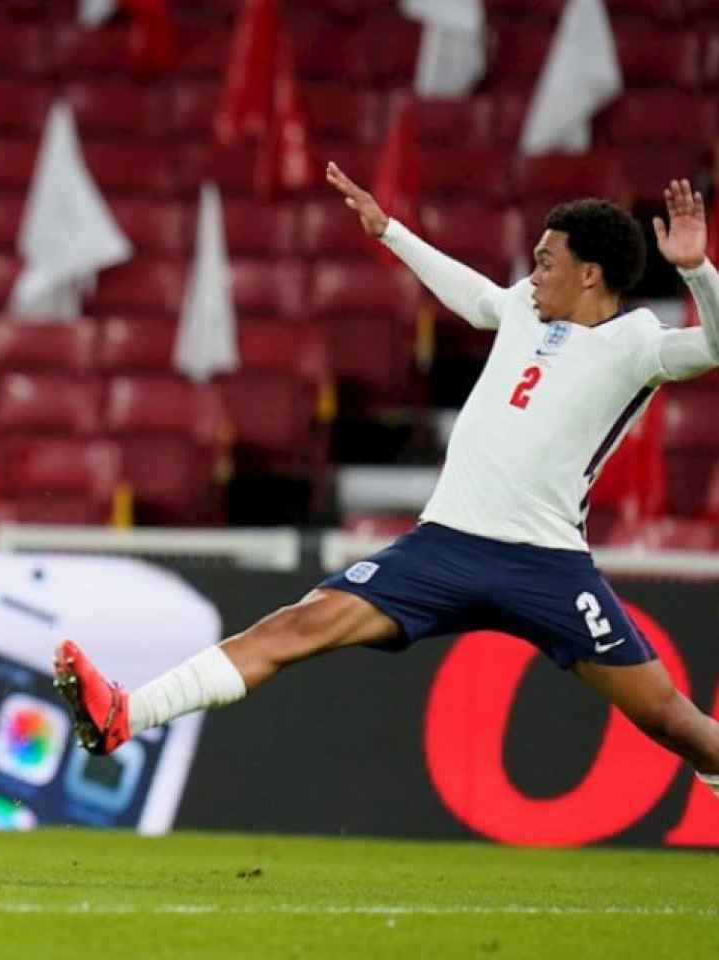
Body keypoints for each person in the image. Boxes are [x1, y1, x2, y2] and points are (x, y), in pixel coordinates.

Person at [55, 164, 719, 814]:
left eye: (547, 261)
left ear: (590, 273)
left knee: (669, 721)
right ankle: (124, 714)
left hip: (545, 564)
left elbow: (713, 345)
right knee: (297, 625)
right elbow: (476, 296)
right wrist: (390, 232)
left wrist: (696, 270)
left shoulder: (636, 344)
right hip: (444, 547)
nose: (533, 272)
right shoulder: (523, 308)